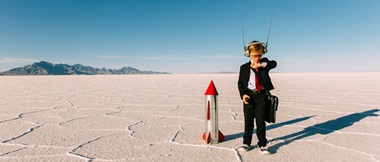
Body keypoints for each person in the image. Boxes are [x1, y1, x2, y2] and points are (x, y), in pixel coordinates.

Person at [237, 40, 277, 154]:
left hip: (261, 97)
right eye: (255, 55)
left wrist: (261, 64)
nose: (257, 57)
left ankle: (262, 144)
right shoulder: (244, 67)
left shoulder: (264, 64)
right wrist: (243, 95)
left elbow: (274, 63)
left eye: (260, 55)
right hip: (249, 96)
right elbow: (240, 83)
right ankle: (246, 143)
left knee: (260, 121)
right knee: (248, 121)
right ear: (248, 54)